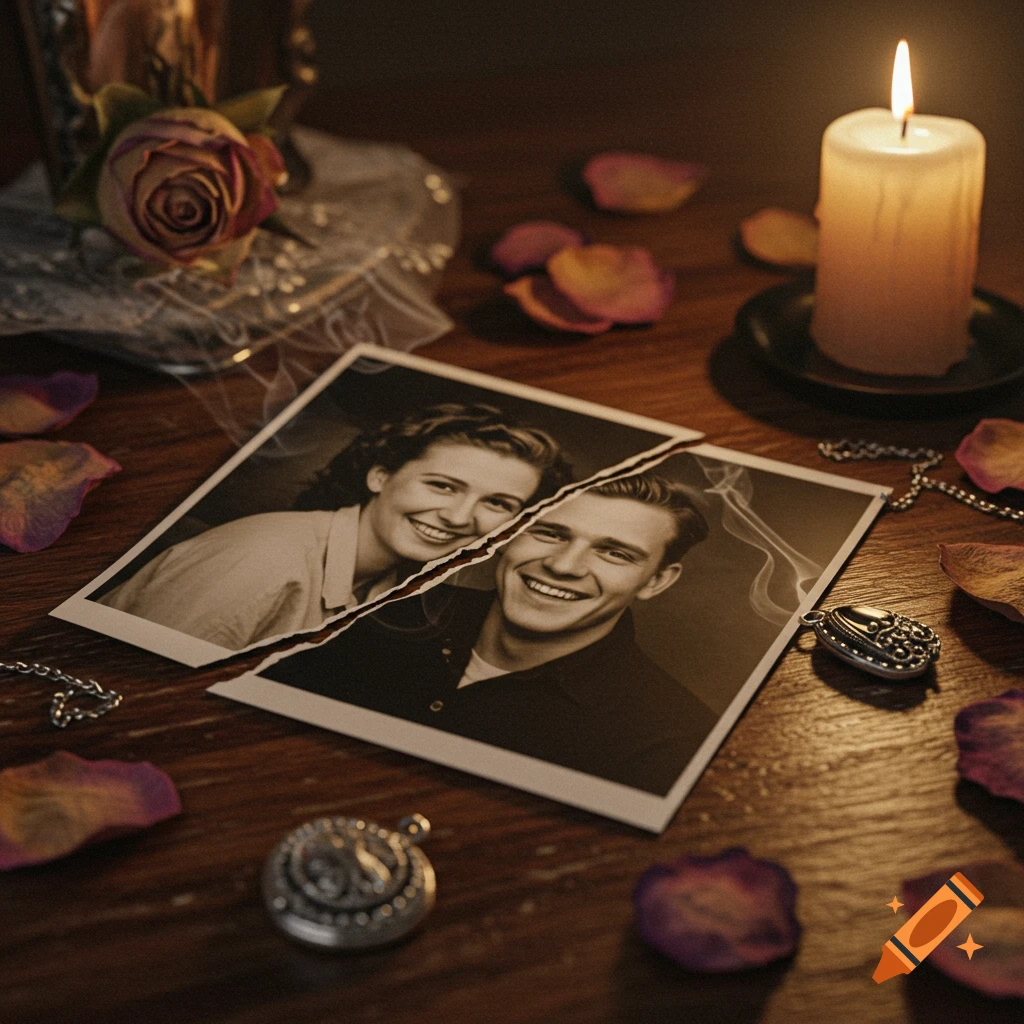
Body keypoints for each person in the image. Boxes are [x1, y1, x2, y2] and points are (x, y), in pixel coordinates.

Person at [264, 471, 718, 795]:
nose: (563, 566)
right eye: (550, 533)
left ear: (658, 580)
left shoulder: (672, 739)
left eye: (614, 554)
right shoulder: (385, 609)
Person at [96, 404, 572, 650]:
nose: (460, 517)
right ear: (380, 475)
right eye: (443, 486)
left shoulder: (389, 580)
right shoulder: (261, 560)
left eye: (498, 503)